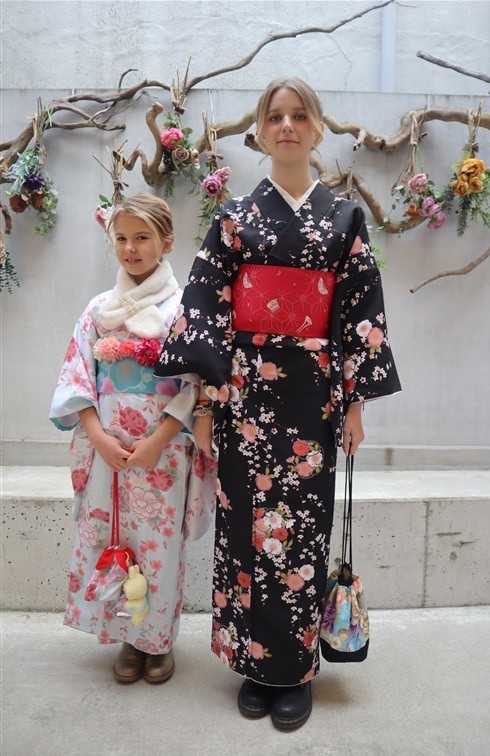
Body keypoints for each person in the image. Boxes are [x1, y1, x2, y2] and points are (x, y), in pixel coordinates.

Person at [155, 78, 401, 728]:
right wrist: (204, 406)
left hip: (311, 398)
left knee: (301, 531)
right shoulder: (234, 216)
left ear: (317, 127)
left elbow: (360, 311)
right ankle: (251, 664)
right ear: (260, 131)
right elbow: (205, 308)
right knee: (244, 529)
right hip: (242, 396)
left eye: (298, 115)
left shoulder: (345, 218)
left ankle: (293, 669)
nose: (286, 125)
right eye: (274, 116)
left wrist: (355, 405)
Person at [49, 193, 216, 684]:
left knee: (159, 544)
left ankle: (158, 641)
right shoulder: (98, 309)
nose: (130, 248)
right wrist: (97, 436)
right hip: (108, 447)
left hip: (163, 447)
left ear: (166, 241)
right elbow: (76, 376)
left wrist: (159, 438)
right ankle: (127, 637)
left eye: (142, 237)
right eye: (121, 238)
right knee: (113, 536)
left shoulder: (184, 308)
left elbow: (197, 383)